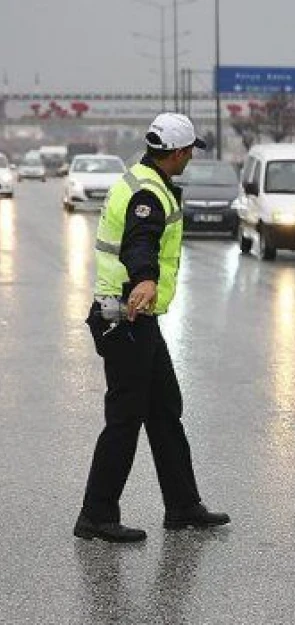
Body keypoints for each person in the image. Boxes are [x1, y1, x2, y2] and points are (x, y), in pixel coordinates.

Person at [75, 113, 229, 542]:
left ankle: (182, 506)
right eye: (189, 153)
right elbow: (140, 239)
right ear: (178, 152)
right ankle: (96, 514)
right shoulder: (149, 193)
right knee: (125, 418)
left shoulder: (139, 178)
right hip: (126, 317)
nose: (189, 160)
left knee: (164, 409)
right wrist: (144, 276)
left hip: (137, 318)